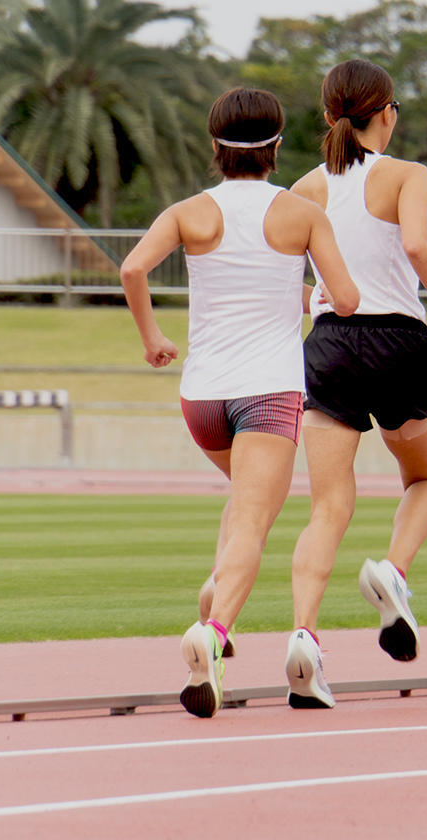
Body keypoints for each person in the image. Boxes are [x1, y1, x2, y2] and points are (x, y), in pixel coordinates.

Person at [119, 87, 359, 718]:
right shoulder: (301, 213)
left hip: (202, 397)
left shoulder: (188, 212)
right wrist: (305, 289)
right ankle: (214, 633)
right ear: (277, 146)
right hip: (268, 392)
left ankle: (213, 596)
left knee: (247, 505)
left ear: (215, 145)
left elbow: (131, 270)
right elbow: (347, 297)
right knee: (256, 519)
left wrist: (152, 339)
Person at [284, 59, 427, 709]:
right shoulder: (408, 175)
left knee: (327, 508)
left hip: (330, 345)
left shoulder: (304, 187)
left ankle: (306, 636)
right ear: (386, 110)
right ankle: (392, 572)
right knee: (424, 479)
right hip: (396, 339)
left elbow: (299, 281)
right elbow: (418, 247)